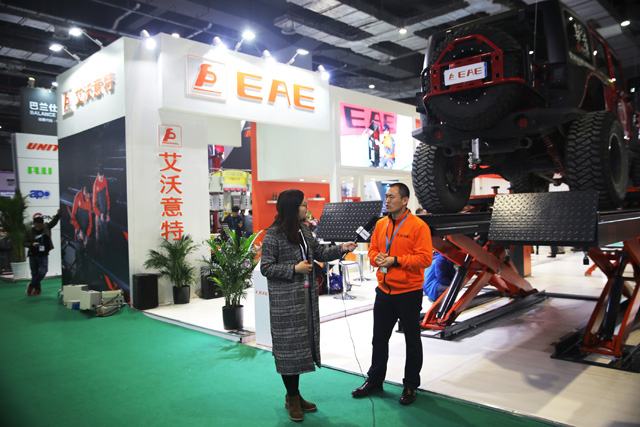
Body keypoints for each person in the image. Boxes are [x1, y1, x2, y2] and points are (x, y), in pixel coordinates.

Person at [260, 189, 356, 421]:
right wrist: (294, 268)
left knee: (300, 349)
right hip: (285, 303)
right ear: (293, 208)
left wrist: (342, 248)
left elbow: (319, 252)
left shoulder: (303, 230)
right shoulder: (273, 235)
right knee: (288, 351)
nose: (307, 208)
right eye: (304, 205)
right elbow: (266, 267)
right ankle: (293, 398)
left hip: (304, 300)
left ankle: (294, 394)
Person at [352, 182, 433, 405]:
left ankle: (410, 385)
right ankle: (375, 381)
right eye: (386, 196)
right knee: (379, 339)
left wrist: (395, 260)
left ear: (405, 200)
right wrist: (376, 258)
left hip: (409, 292)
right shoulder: (380, 224)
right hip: (384, 292)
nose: (387, 201)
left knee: (412, 340)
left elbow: (425, 258)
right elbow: (372, 250)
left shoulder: (418, 226)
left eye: (392, 197)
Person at [24, 210, 60, 296]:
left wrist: (58, 214)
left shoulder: (47, 227)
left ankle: (31, 285)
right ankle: (37, 289)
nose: (38, 227)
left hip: (43, 255)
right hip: (33, 254)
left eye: (40, 226)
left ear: (43, 224)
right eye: (36, 225)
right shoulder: (29, 231)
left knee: (43, 272)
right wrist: (31, 244)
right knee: (34, 273)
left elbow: (54, 222)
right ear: (34, 224)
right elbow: (24, 242)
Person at [92, 166, 110, 242]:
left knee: (106, 231)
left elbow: (107, 197)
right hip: (99, 213)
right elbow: (94, 206)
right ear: (97, 176)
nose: (102, 180)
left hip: (105, 210)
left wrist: (108, 212)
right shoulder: (95, 185)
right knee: (99, 234)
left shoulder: (105, 180)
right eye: (100, 178)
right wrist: (100, 214)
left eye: (103, 178)